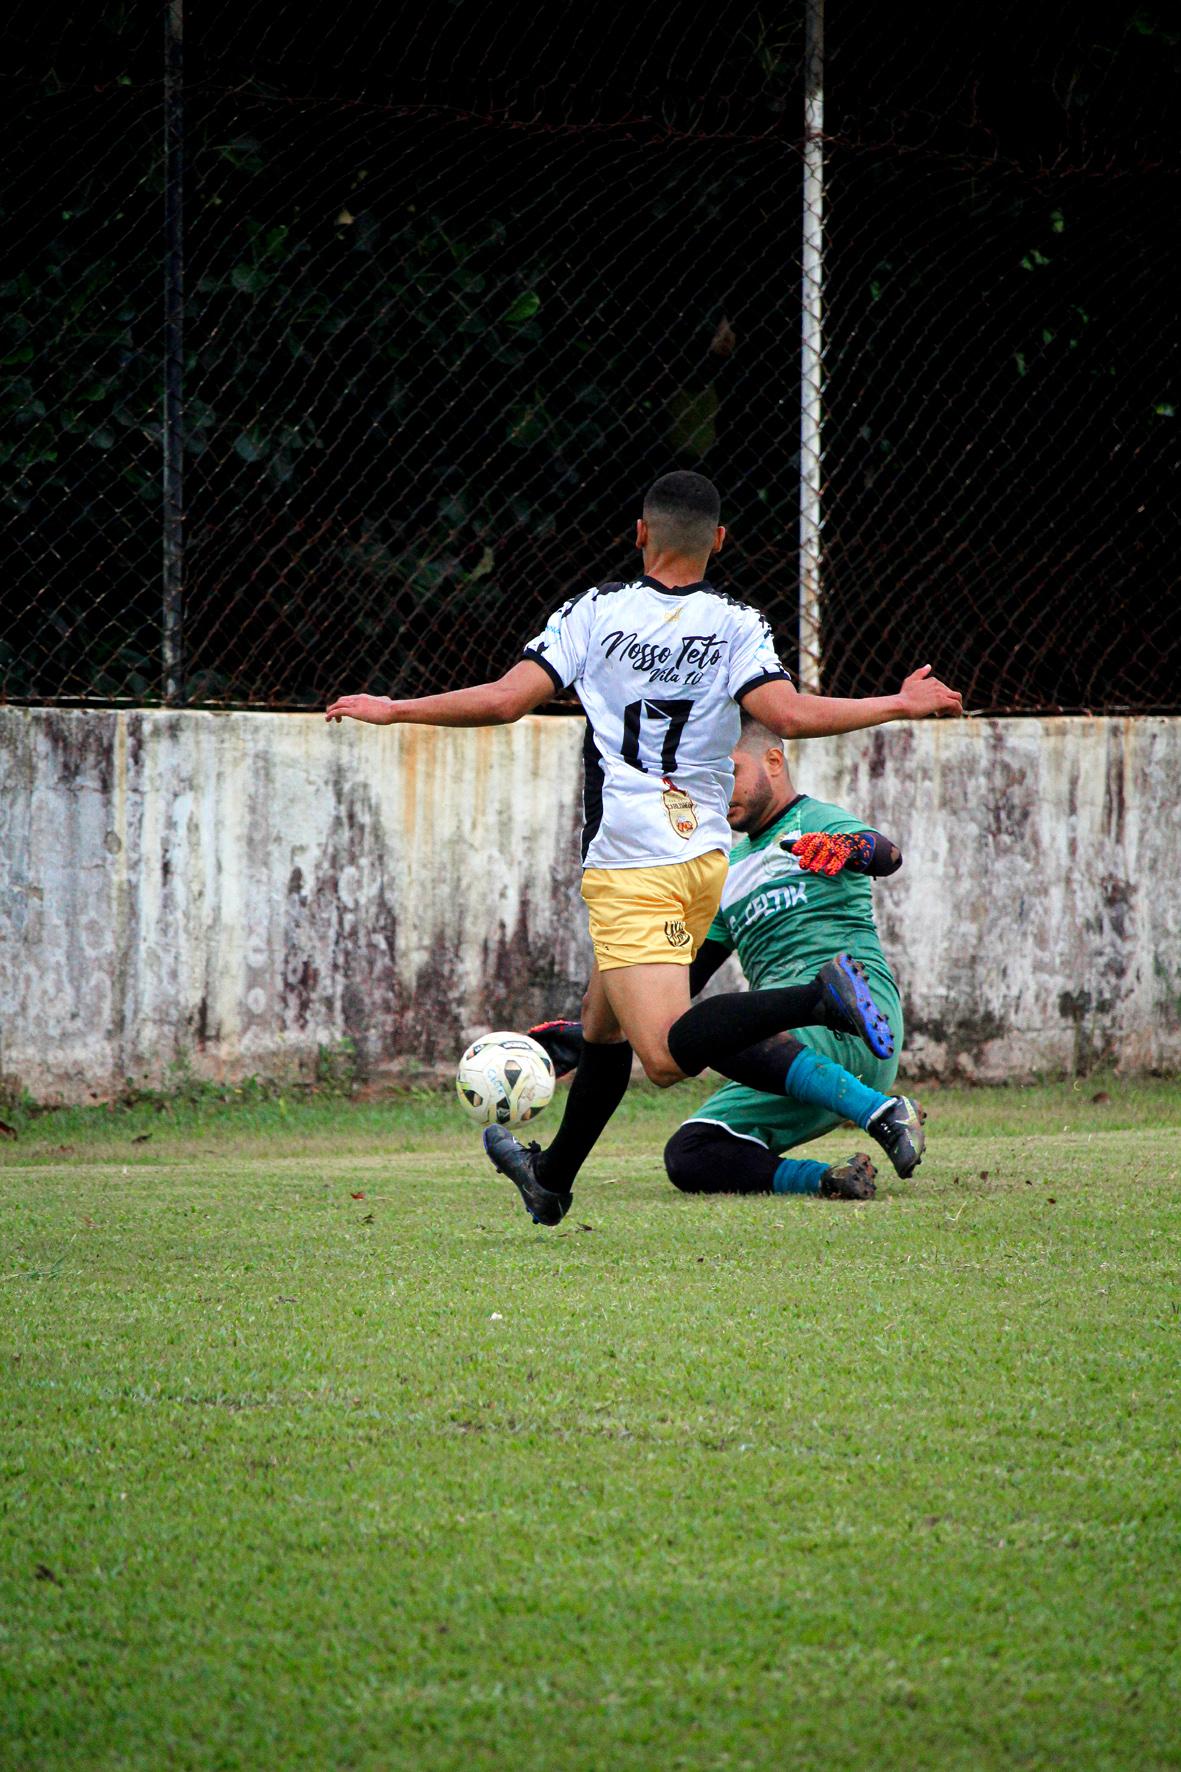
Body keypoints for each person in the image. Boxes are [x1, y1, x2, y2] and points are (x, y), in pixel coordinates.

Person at [327, 471, 961, 1226]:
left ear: (639, 532)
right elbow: (785, 717)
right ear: (717, 542)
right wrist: (897, 701)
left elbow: (504, 702)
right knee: (602, 1026)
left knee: (661, 1055)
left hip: (633, 861)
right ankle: (551, 1180)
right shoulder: (735, 622)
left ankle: (817, 997)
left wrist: (395, 708)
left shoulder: (592, 613)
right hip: (703, 858)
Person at [532, 714, 922, 1202]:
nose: (720, 788)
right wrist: (587, 1037)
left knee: (712, 1033)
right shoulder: (726, 868)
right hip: (787, 1050)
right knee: (691, 1152)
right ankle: (831, 1177)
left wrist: (846, 848)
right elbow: (680, 982)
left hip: (860, 1021)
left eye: (729, 770)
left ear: (773, 761)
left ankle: (874, 1104)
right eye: (710, 776)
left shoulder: (813, 823)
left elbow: (886, 856)